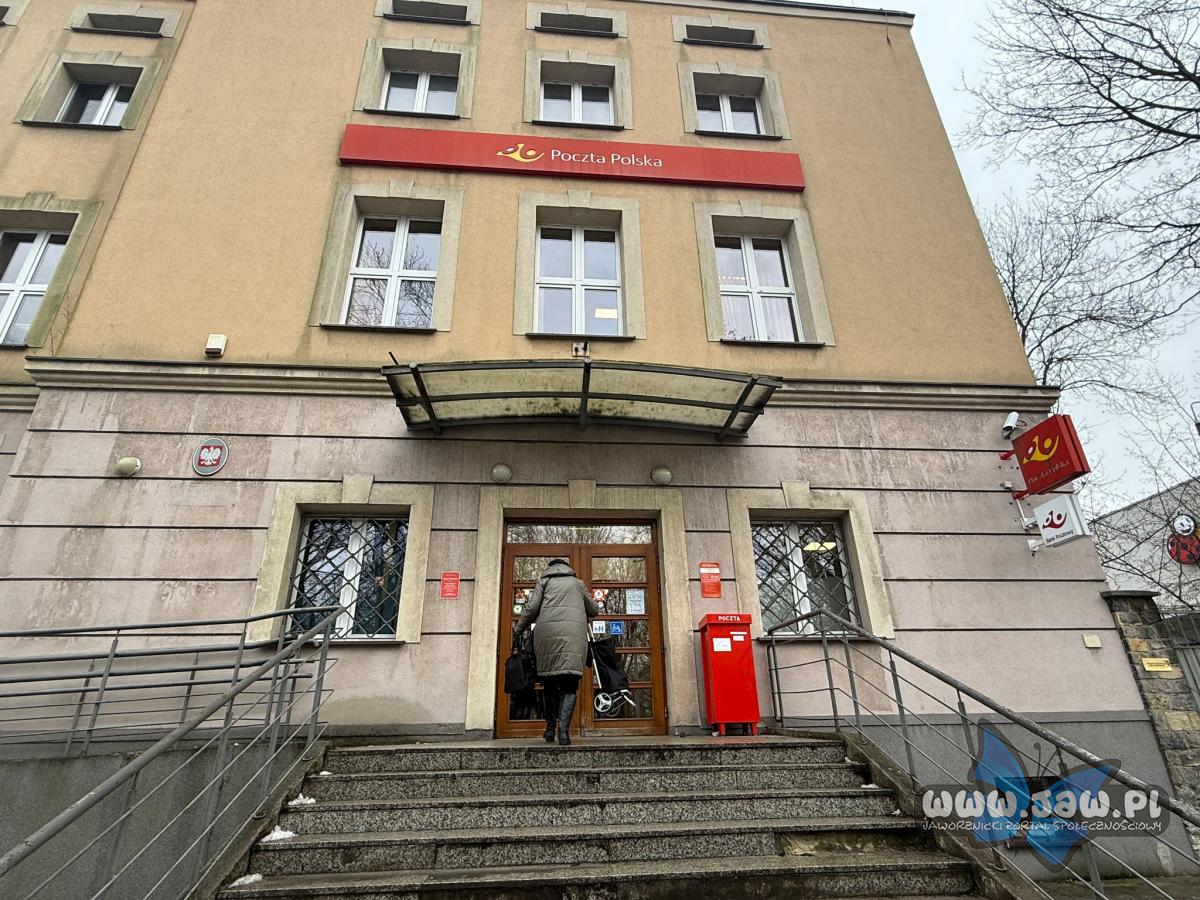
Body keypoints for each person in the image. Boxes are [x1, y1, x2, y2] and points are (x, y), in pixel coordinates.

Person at [515, 558, 599, 745]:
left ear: (550, 569)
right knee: (570, 686)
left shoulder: (544, 583)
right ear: (568, 569)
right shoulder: (578, 584)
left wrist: (518, 629)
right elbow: (594, 610)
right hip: (573, 639)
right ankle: (563, 734)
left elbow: (531, 609)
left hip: (546, 637)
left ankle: (549, 729)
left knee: (549, 685)